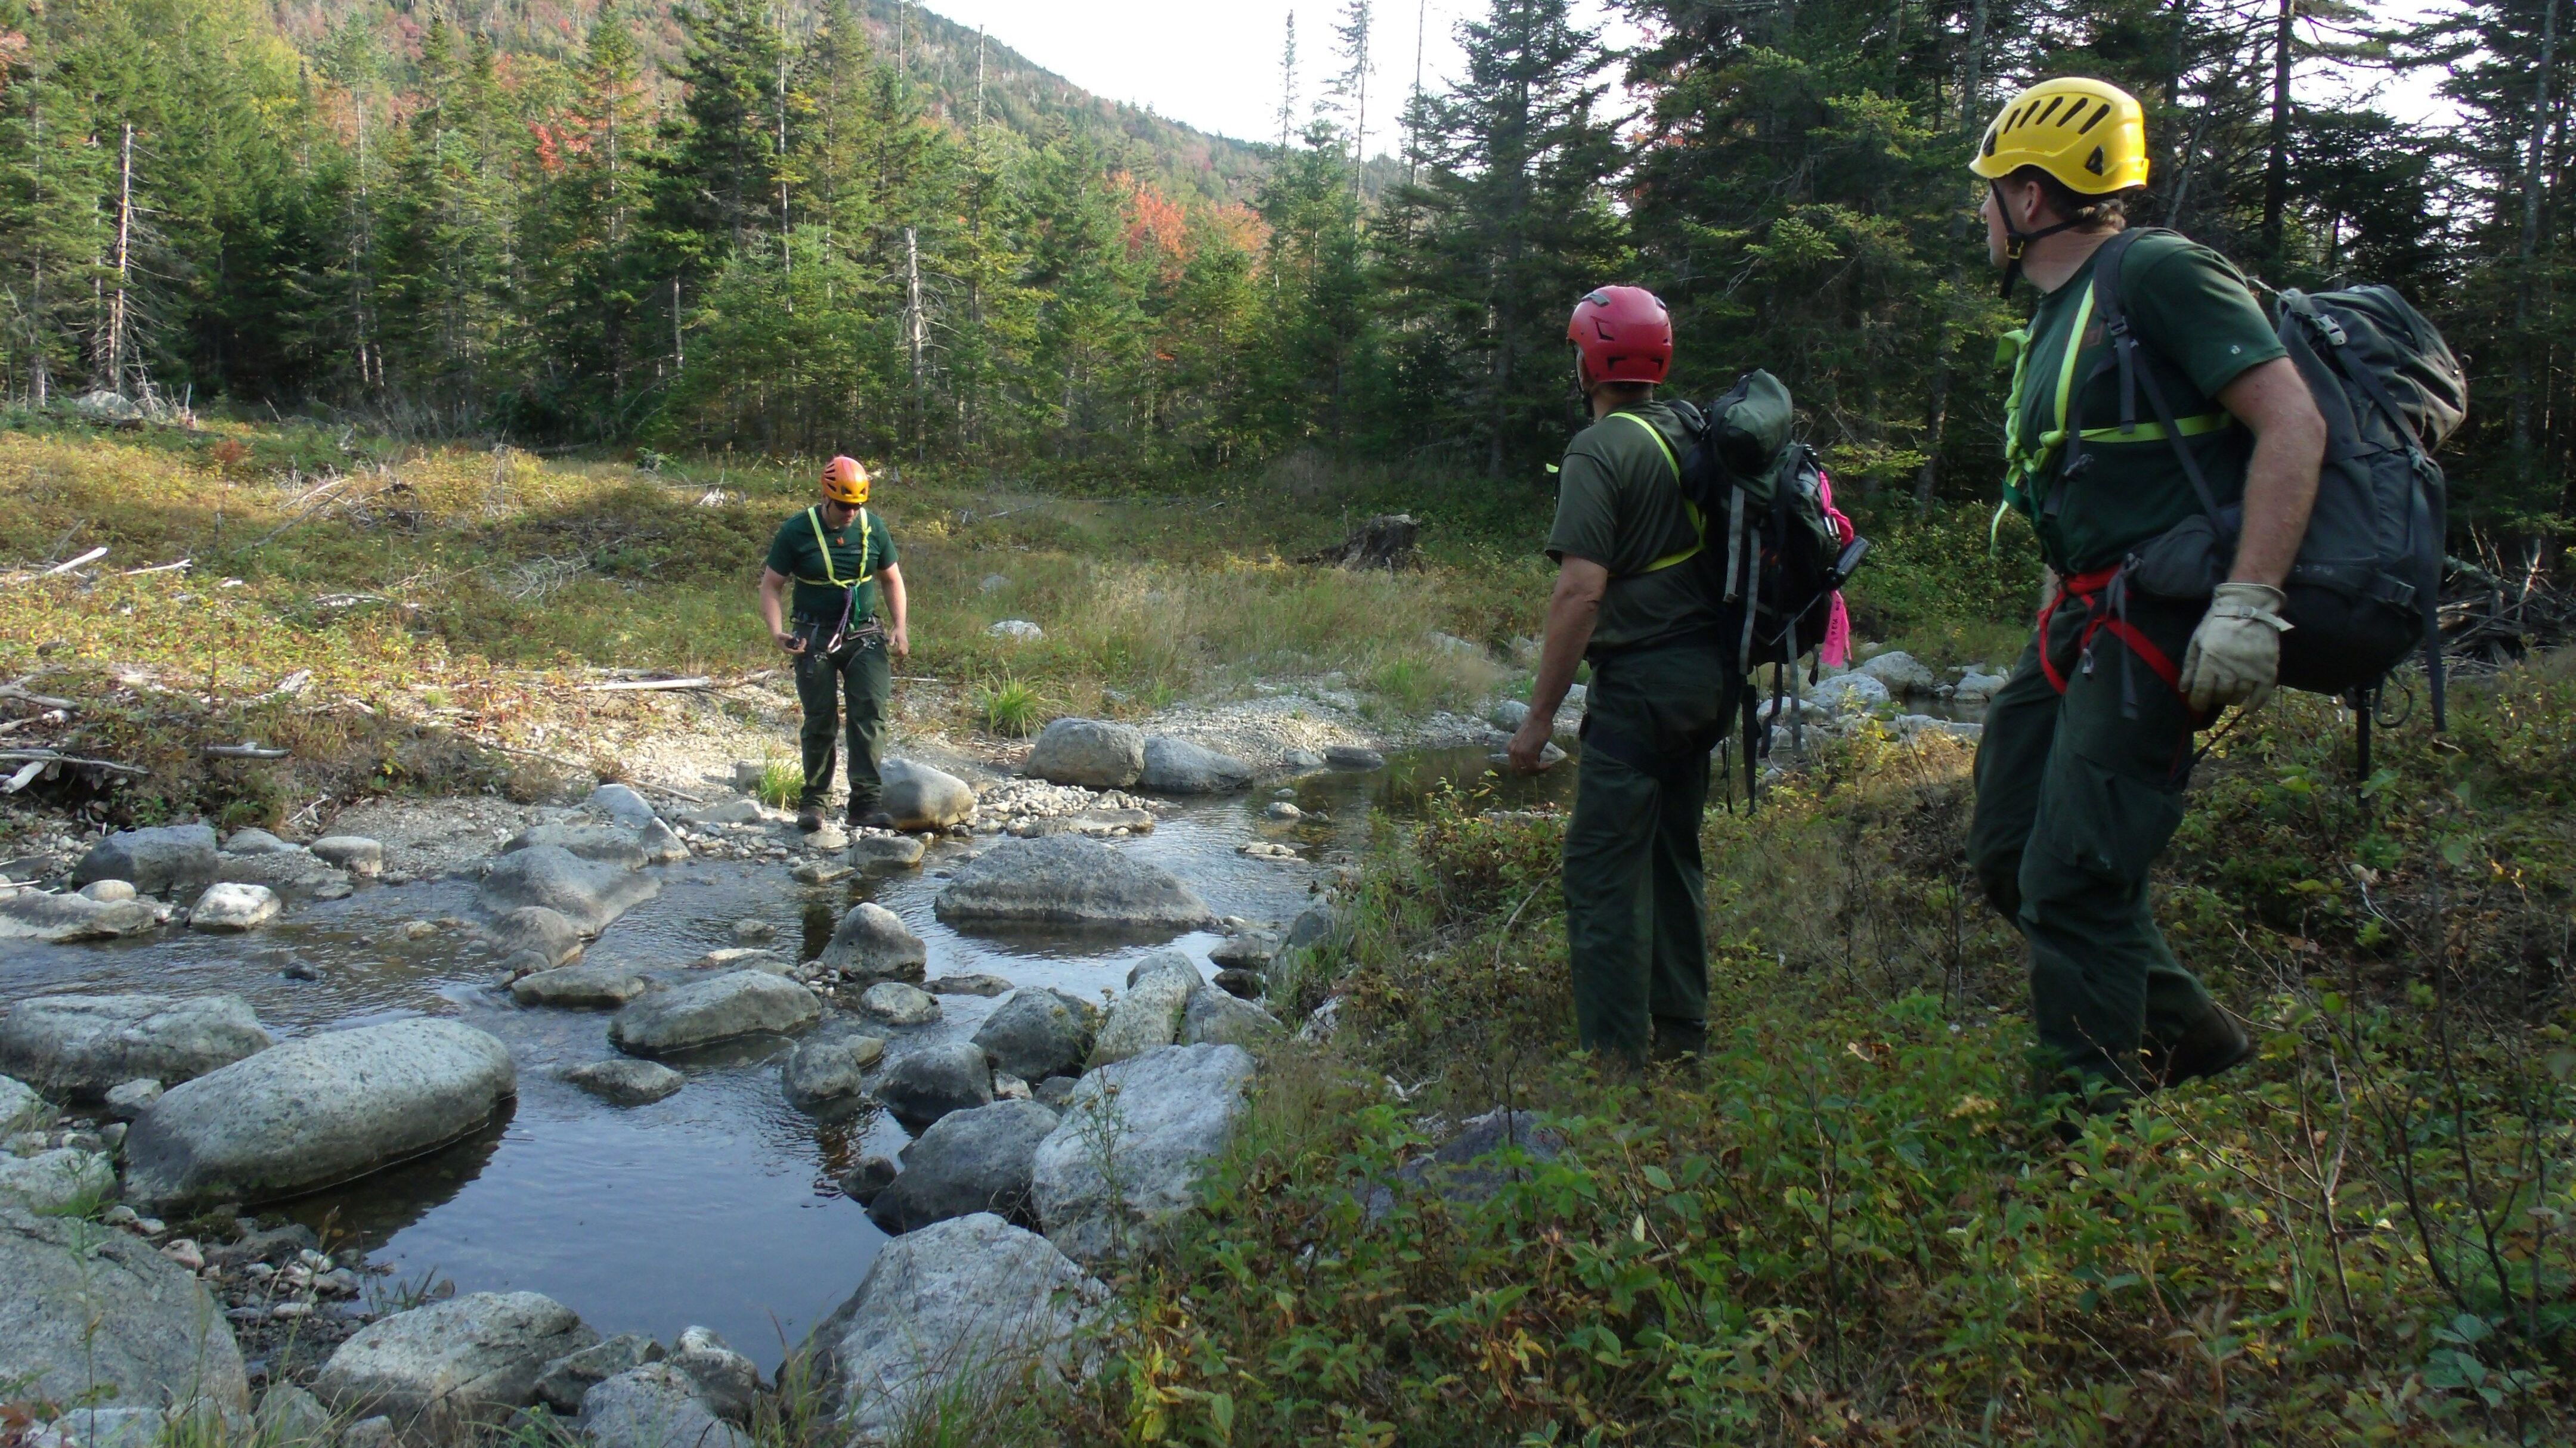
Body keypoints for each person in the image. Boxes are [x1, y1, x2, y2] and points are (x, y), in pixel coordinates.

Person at [1961, 77, 2326, 1104]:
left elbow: (2292, 425)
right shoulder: (2054, 317)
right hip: (2079, 618)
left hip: (2160, 619)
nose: (1976, 212)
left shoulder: (2161, 273)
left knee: (2076, 875)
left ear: (2031, 199)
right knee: (2008, 852)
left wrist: (2248, 601)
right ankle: (2196, 1036)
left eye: (1987, 191)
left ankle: (2091, 1133)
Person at [1506, 286, 1737, 1064]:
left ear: (1590, 362)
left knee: (1602, 874)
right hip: (1710, 685)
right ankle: (1684, 1042)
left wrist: (1538, 720)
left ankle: (1615, 1072)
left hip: (1641, 690)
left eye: (1577, 349)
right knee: (1674, 856)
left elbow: (1580, 591)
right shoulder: (1693, 428)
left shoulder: (1599, 449)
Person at [758, 455, 910, 832]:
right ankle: (814, 802)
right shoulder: (797, 531)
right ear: (827, 497)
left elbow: (892, 579)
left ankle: (865, 803)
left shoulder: (874, 529)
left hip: (864, 634)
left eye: (858, 505)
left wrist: (900, 627)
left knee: (870, 713)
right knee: (820, 718)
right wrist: (778, 631)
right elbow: (771, 585)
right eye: (844, 505)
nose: (851, 512)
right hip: (813, 635)